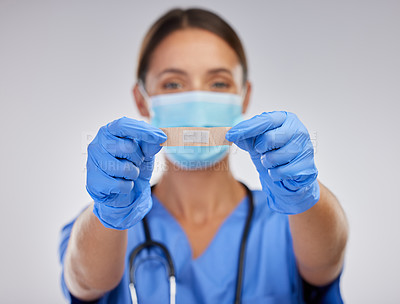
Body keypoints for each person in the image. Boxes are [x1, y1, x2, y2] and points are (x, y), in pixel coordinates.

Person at [59, 7, 348, 304]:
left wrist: (303, 194)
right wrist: (108, 215)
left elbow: (328, 257)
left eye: (219, 83)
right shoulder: (110, 223)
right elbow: (85, 280)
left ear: (244, 95)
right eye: (173, 83)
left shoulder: (288, 218)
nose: (197, 102)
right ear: (141, 100)